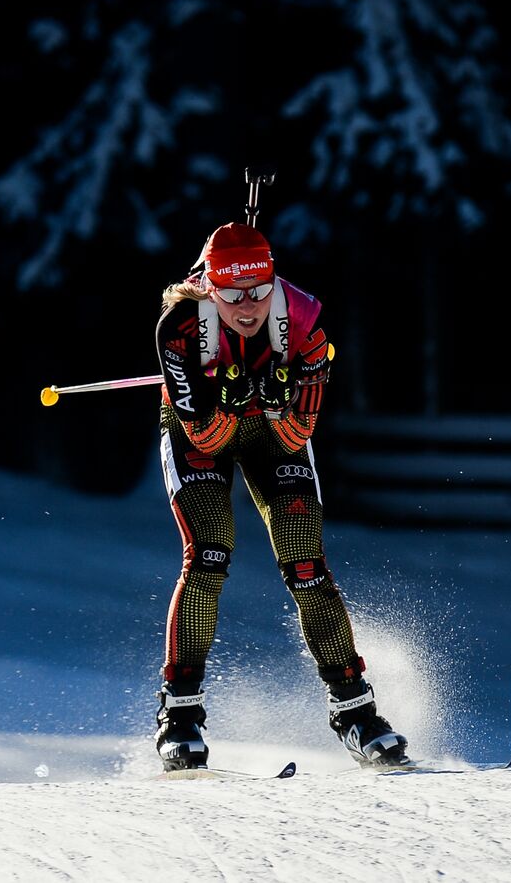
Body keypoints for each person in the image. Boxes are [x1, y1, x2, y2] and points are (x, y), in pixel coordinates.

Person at [151, 221, 409, 771]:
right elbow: (206, 437)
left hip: (271, 434)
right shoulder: (179, 328)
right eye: (232, 295)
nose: (248, 306)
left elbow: (296, 435)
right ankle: (180, 715)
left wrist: (273, 402)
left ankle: (355, 712)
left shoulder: (306, 326)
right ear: (209, 287)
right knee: (209, 553)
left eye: (260, 290)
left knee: (306, 563)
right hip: (198, 431)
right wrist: (228, 400)